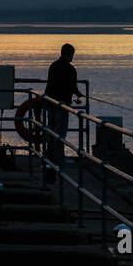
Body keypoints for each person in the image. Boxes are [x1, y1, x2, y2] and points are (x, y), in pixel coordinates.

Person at [42, 43, 83, 185]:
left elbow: (51, 84)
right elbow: (73, 87)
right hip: (62, 105)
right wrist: (79, 95)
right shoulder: (70, 69)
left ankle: (49, 157)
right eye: (72, 55)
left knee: (51, 131)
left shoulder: (53, 66)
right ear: (69, 54)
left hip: (50, 103)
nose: (73, 57)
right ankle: (59, 161)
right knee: (60, 134)